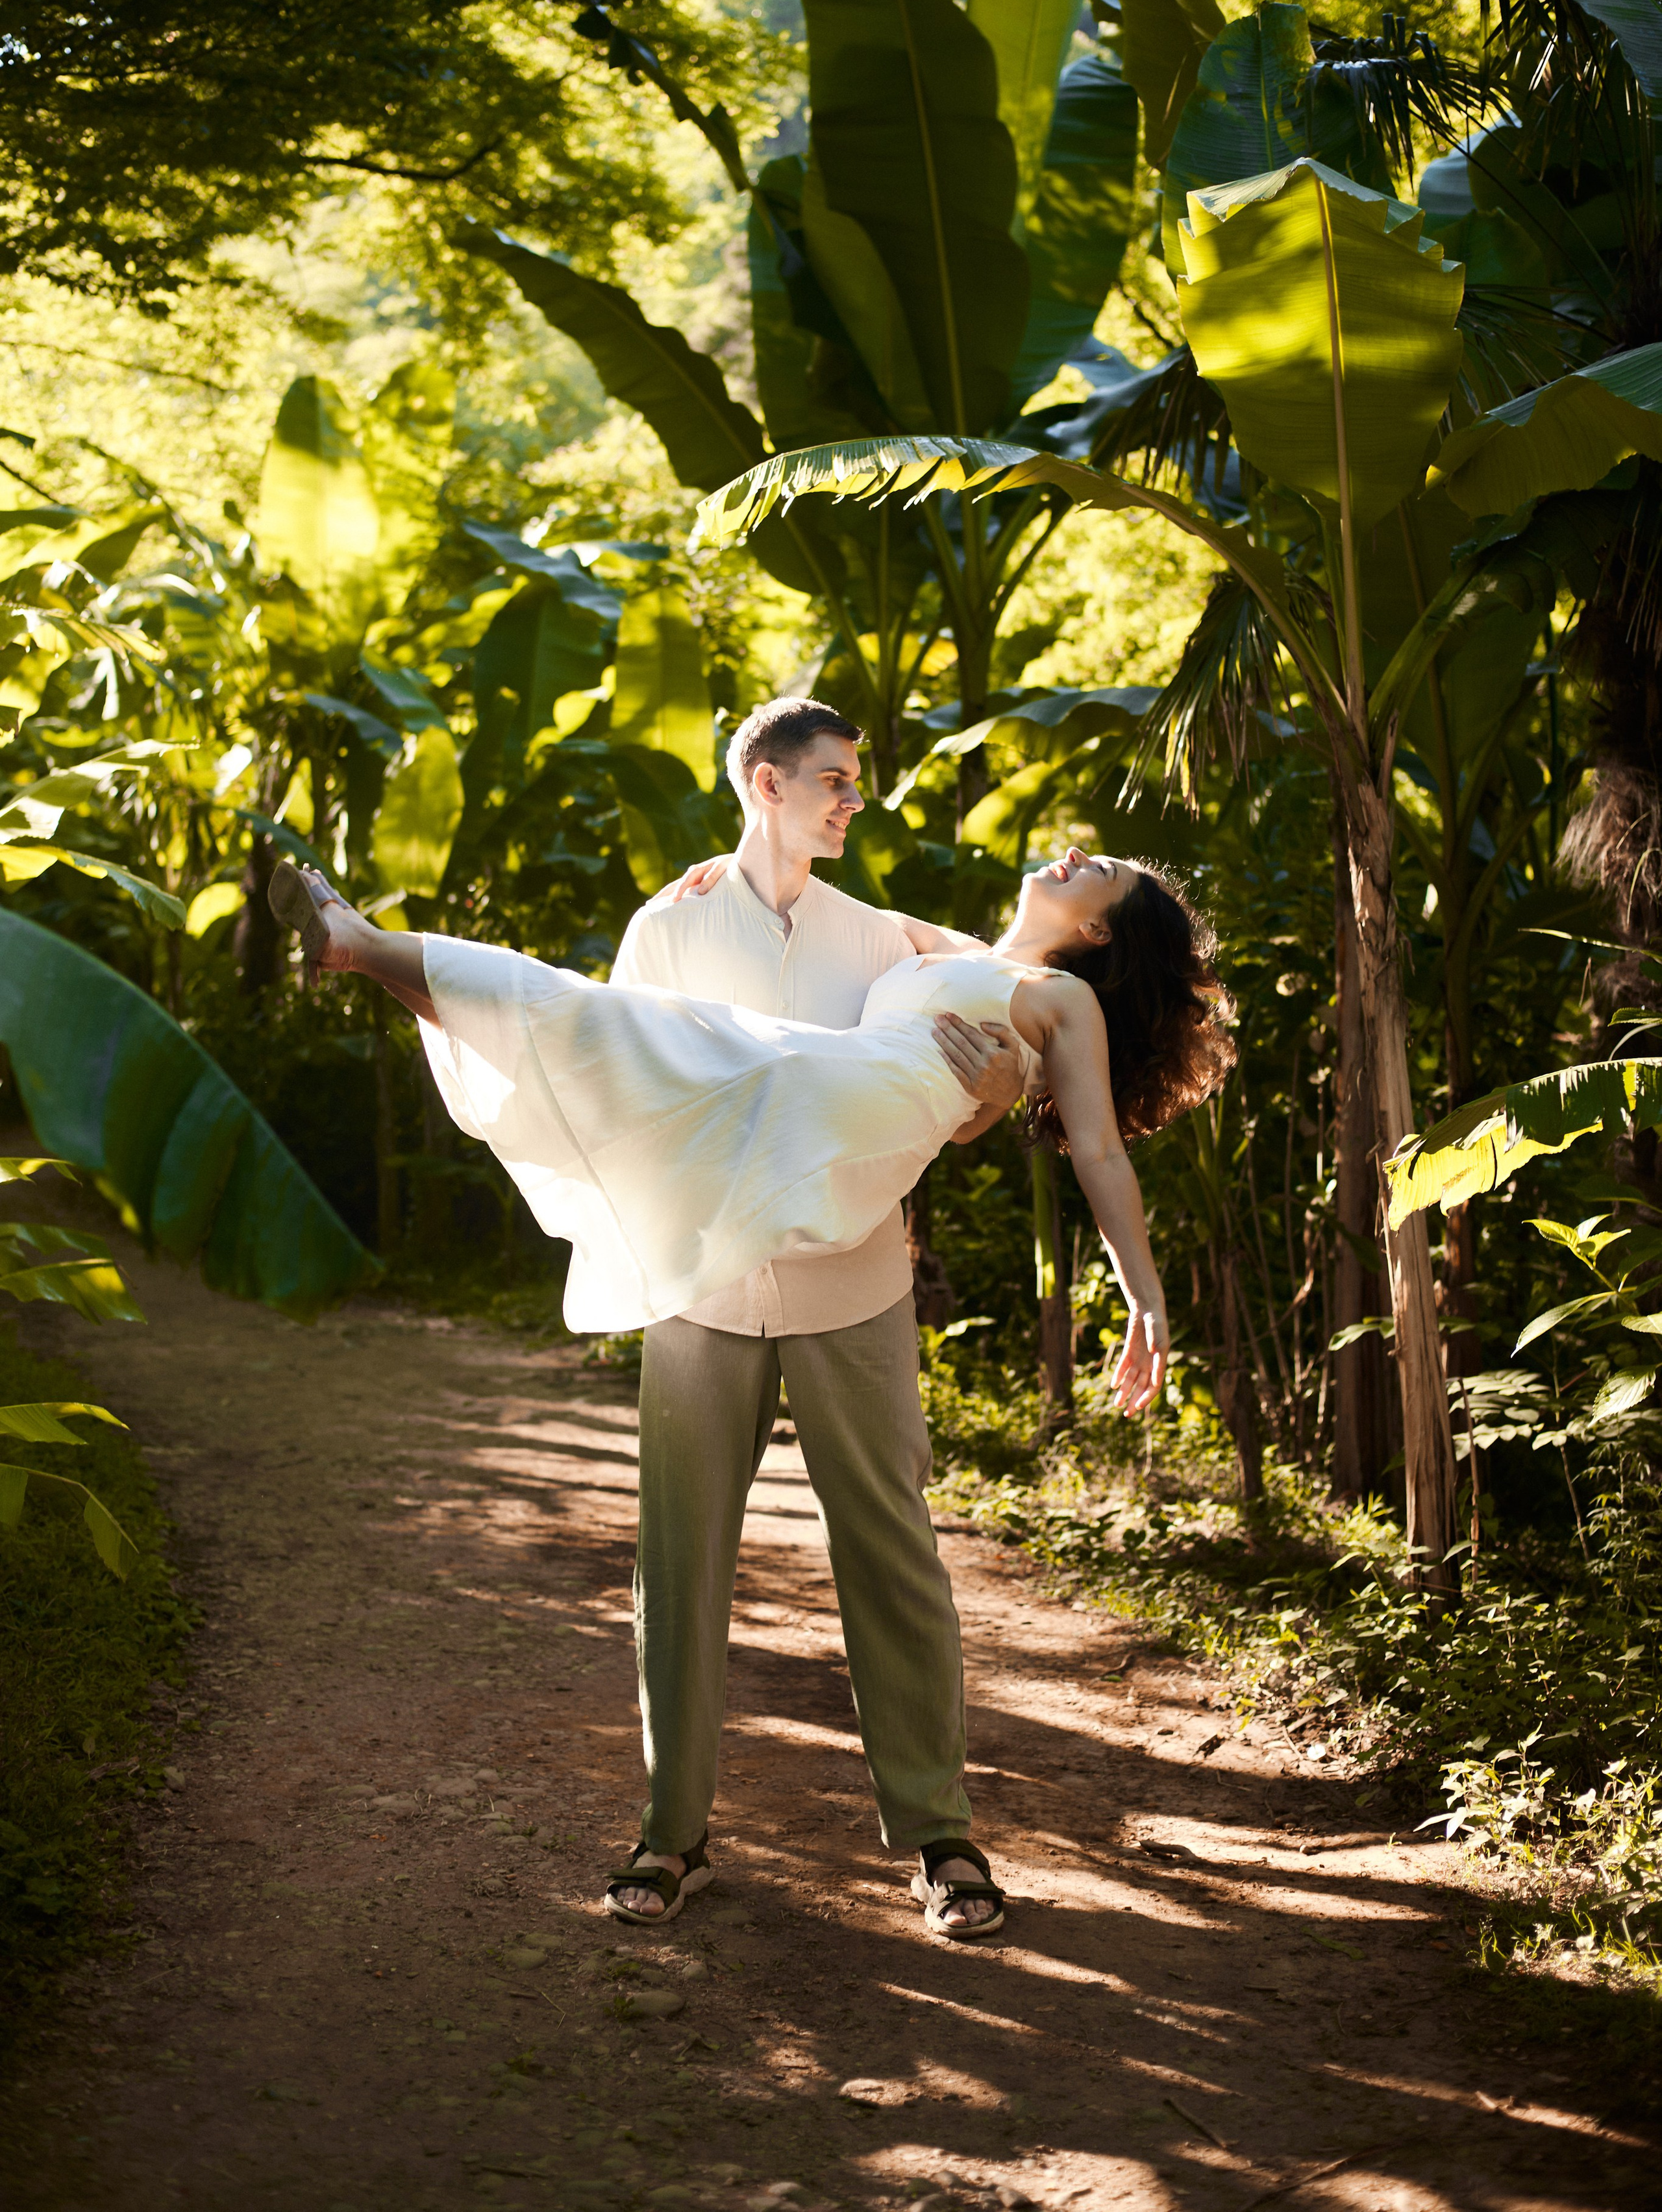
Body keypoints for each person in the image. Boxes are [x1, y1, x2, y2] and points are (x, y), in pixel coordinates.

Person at [268, 697, 1234, 1939]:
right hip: (707, 1277)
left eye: (855, 781)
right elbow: (617, 1081)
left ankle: (942, 1840)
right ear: (761, 782)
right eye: (832, 779)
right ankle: (672, 1837)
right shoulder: (720, 923)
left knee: (891, 1551)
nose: (853, 801)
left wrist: (1133, 1283)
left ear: (1100, 926)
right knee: (678, 1554)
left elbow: (1073, 1131)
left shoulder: (890, 939)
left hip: (853, 1269)